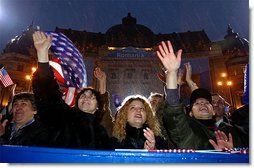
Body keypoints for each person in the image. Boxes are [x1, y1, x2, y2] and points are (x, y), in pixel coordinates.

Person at [156, 40, 242, 150]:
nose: (202, 103)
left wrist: (230, 155)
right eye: (196, 103)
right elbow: (174, 114)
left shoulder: (230, 131)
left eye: (207, 102)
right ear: (190, 113)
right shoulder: (188, 130)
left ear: (213, 110)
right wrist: (172, 73)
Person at [32, 31, 109, 149]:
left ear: (98, 106)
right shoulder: (64, 117)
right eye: (83, 96)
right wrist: (42, 55)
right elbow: (47, 95)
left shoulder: (103, 130)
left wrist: (103, 83)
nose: (87, 98)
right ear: (77, 103)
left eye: (92, 97)